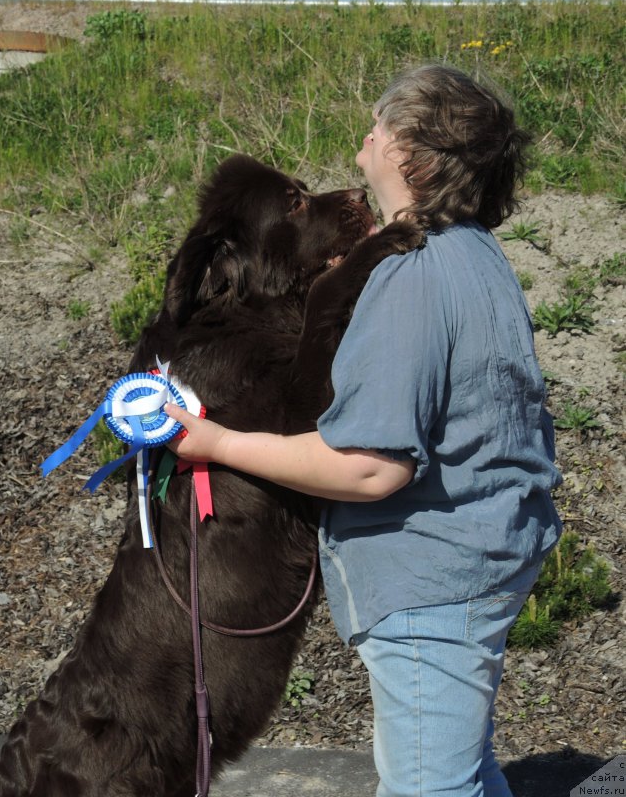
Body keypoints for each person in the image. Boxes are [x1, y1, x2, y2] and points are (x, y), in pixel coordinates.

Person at [164, 63, 562, 797]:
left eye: (378, 130)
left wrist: (214, 443)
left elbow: (370, 467)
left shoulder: (412, 279)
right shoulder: (478, 254)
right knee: (463, 768)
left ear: (412, 153)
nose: (361, 147)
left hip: (433, 578)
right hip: (488, 552)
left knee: (428, 787)